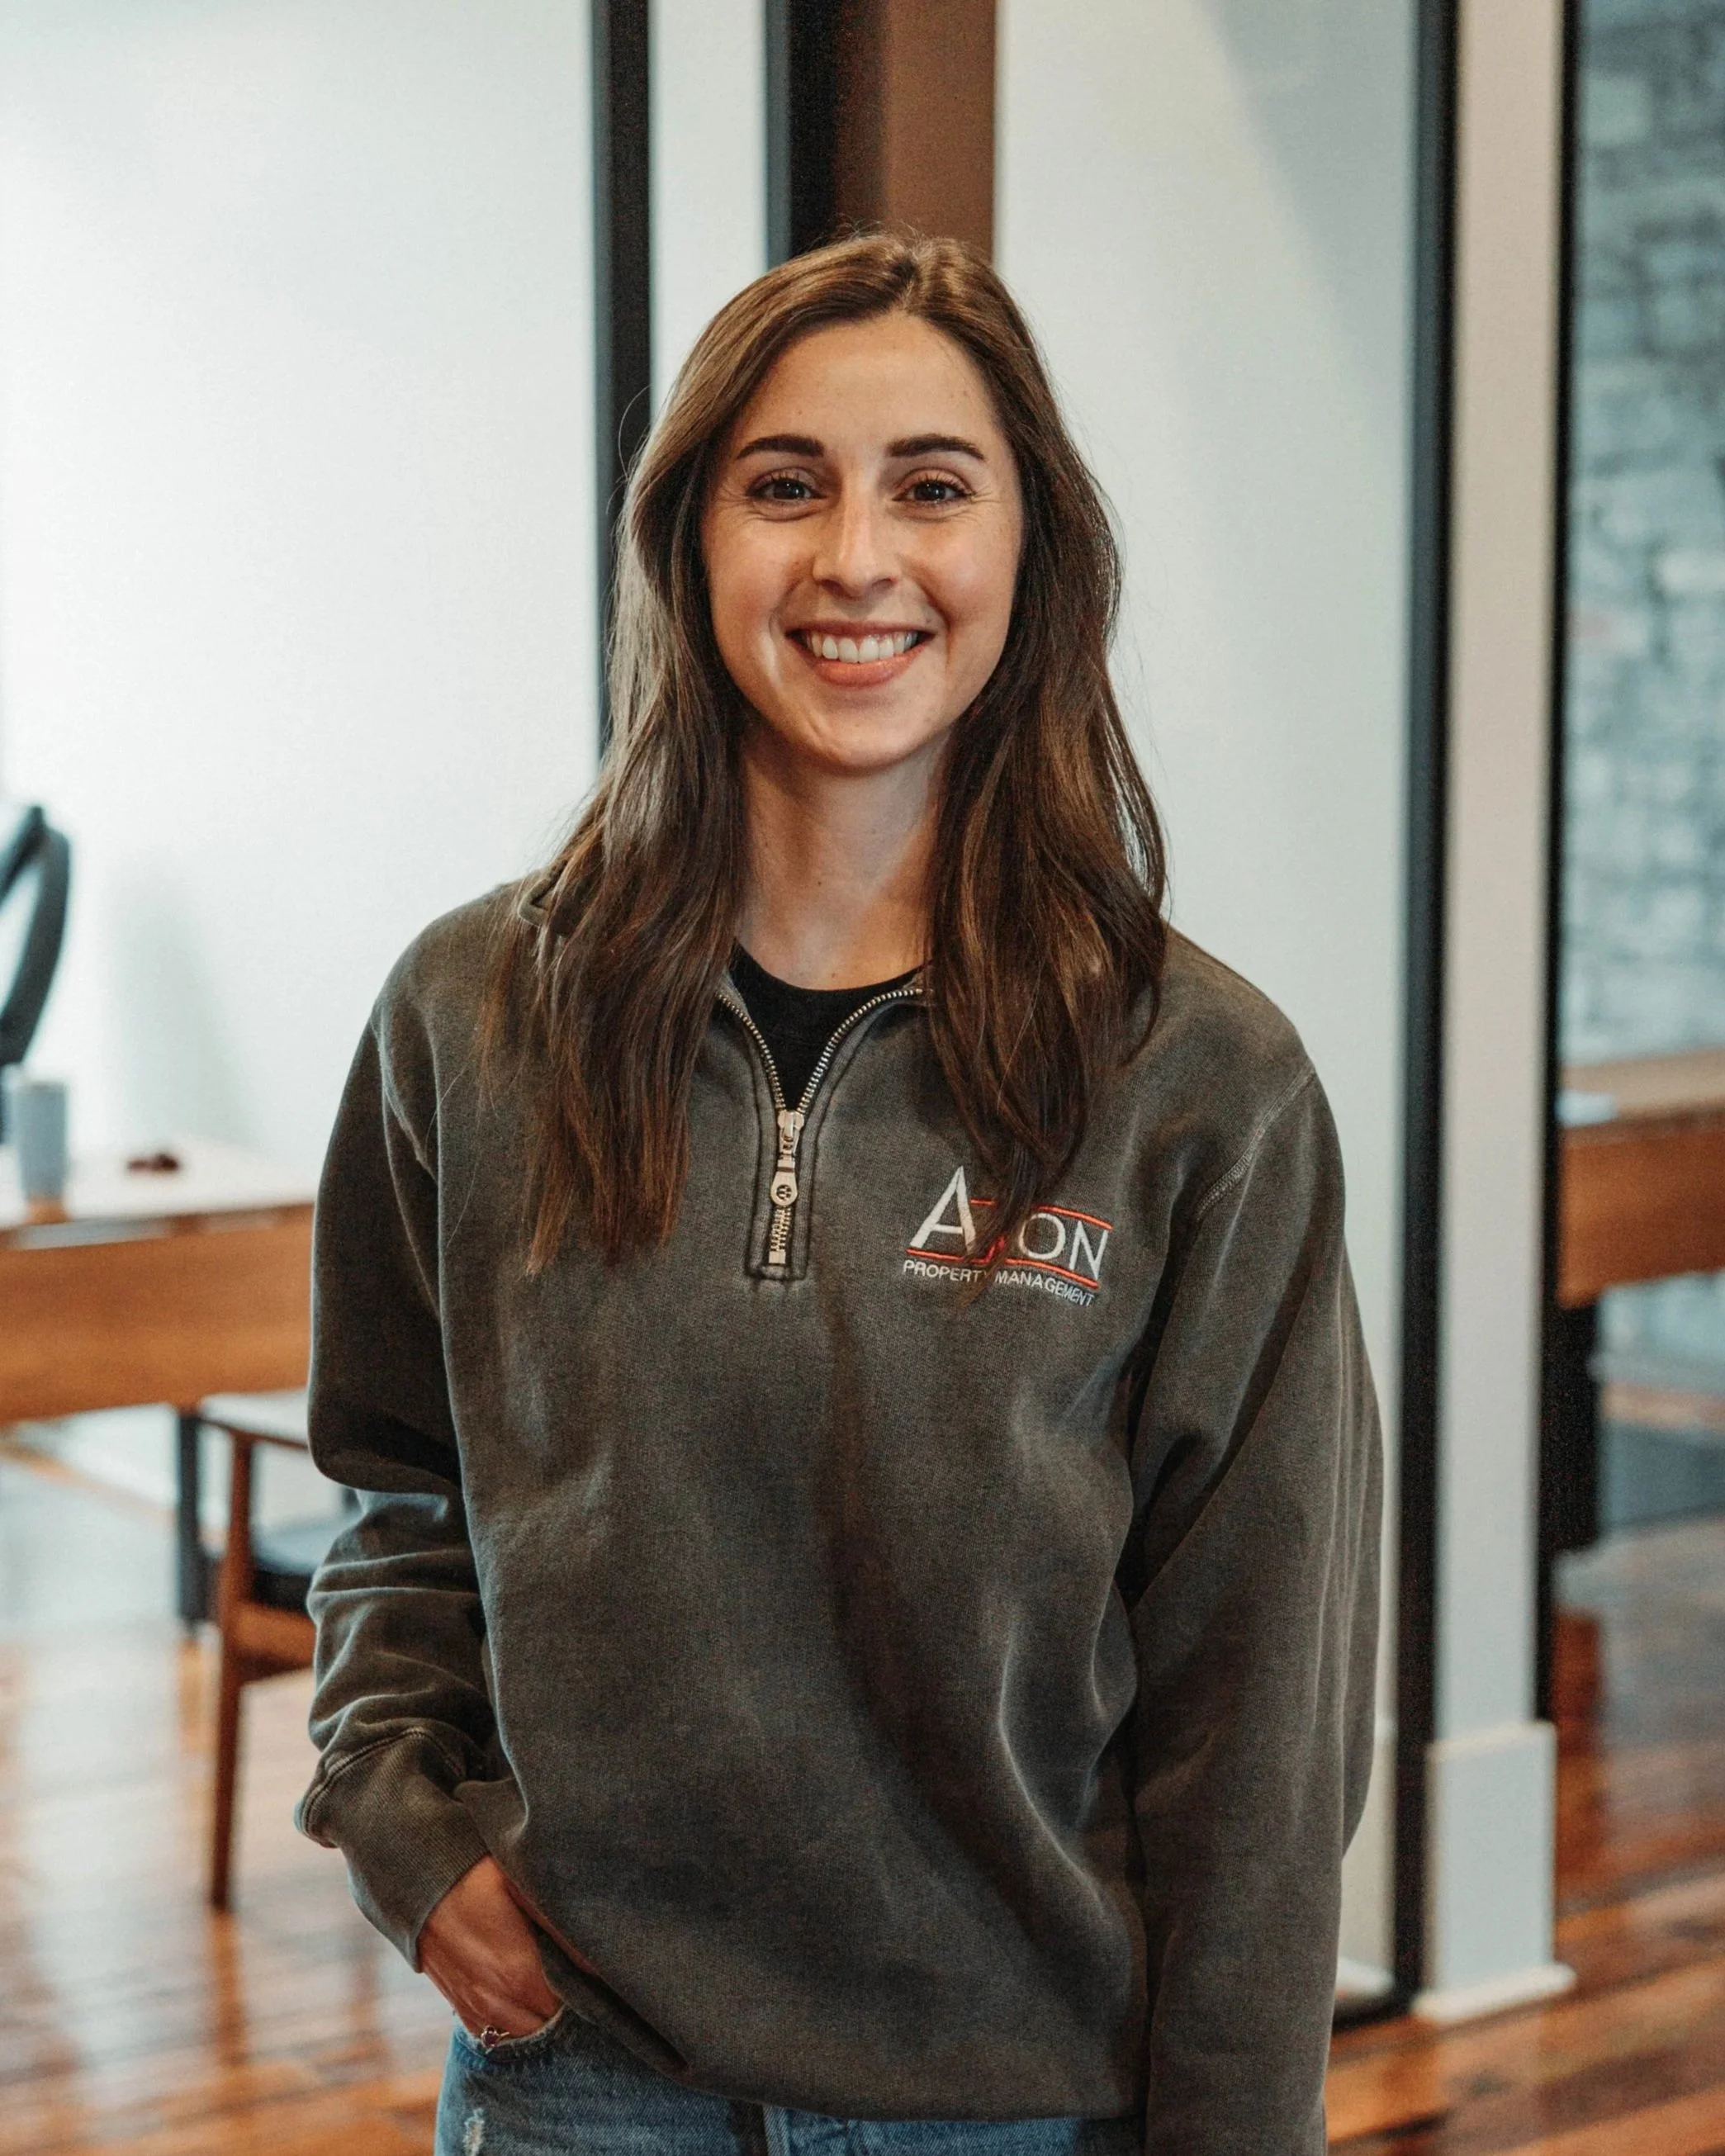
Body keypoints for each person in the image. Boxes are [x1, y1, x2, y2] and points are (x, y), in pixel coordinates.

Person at [297, 232, 1381, 2156]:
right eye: (783, 484)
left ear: (1027, 554)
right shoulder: (469, 1018)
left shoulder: (1201, 1084)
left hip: (1014, 2101)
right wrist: (405, 1819)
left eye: (932, 488)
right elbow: (403, 1489)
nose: (857, 557)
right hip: (581, 2076)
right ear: (686, 543)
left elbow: (1261, 1722)